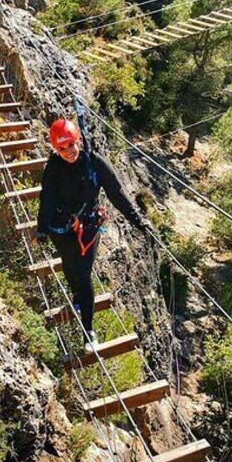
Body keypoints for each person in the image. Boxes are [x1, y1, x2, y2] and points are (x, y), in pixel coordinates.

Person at [36, 118, 149, 353]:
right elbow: (47, 198)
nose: (68, 152)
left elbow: (116, 193)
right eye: (62, 148)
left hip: (88, 225)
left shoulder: (94, 163)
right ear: (55, 149)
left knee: (84, 273)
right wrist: (42, 227)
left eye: (71, 145)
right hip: (62, 226)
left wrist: (137, 220)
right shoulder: (53, 168)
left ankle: (88, 331)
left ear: (78, 140)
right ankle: (76, 297)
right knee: (69, 266)